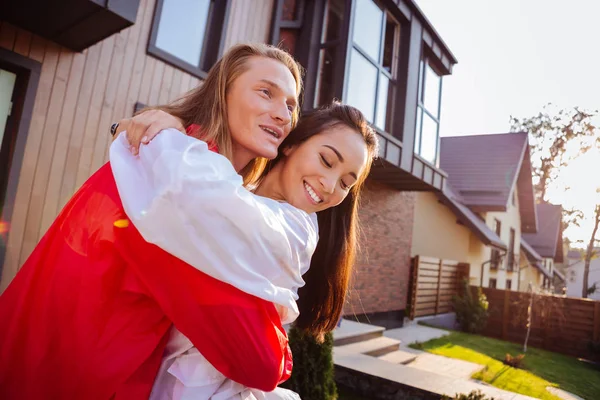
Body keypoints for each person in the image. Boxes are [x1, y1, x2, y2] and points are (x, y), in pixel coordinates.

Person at [0, 43, 304, 400]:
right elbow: (260, 362)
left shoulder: (184, 160)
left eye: (290, 105)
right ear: (222, 94)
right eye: (266, 92)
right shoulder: (181, 180)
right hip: (66, 376)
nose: (283, 114)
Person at [110, 102, 377, 398]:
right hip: (156, 368)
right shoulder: (242, 190)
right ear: (293, 145)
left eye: (345, 183)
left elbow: (198, 196)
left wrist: (163, 133)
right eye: (327, 160)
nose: (329, 186)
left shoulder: (294, 232)